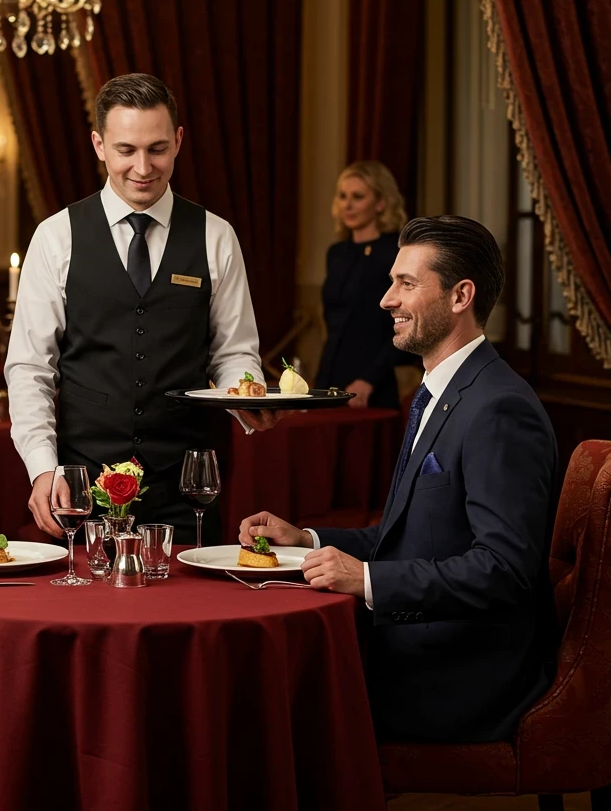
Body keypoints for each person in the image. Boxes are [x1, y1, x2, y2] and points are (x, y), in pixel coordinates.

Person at [239, 215, 557, 743]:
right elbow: (409, 538)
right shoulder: (439, 393)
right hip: (416, 648)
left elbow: (505, 570)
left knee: (266, 697)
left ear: (461, 296)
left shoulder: (499, 408)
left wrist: (365, 580)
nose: (387, 299)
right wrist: (309, 539)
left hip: (460, 679)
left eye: (406, 284)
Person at [5, 73, 277, 547]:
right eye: (126, 150)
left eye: (156, 149)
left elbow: (233, 353)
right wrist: (42, 469)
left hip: (189, 480)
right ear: (99, 145)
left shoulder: (216, 236)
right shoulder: (55, 236)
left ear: (178, 141)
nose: (143, 167)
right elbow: (30, 367)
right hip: (81, 483)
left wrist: (245, 399)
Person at [316, 161, 418, 408]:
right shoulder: (337, 253)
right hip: (330, 376)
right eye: (343, 196)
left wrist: (369, 379)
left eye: (358, 197)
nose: (347, 205)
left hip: (375, 382)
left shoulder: (397, 251)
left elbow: (407, 324)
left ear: (381, 203)